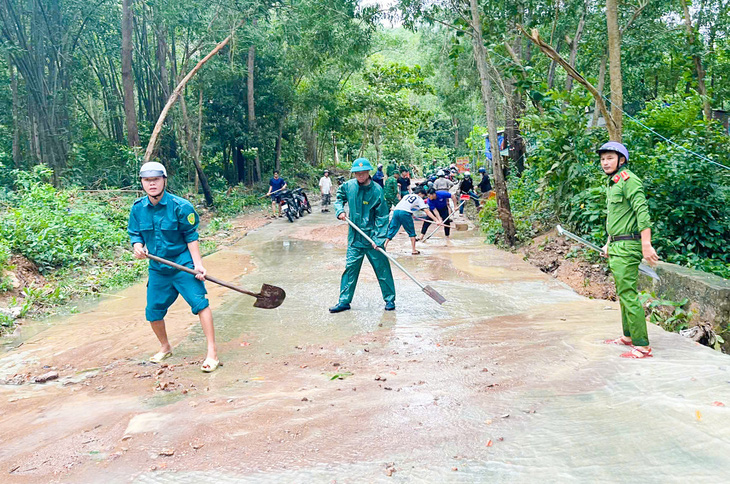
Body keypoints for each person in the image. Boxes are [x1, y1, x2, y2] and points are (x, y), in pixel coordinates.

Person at [128, 162, 219, 372]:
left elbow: (191, 236)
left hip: (182, 263)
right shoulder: (138, 208)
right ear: (142, 183)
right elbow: (135, 234)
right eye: (147, 180)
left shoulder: (181, 206)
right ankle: (165, 346)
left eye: (156, 179)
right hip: (158, 267)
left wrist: (198, 265)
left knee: (200, 303)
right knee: (153, 311)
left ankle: (212, 352)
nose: (152, 184)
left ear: (164, 181)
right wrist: (138, 246)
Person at [598, 142, 659, 359]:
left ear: (621, 160)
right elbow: (617, 217)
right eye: (603, 158)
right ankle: (628, 336)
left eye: (610, 158)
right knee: (623, 292)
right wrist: (608, 243)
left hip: (628, 245)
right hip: (617, 244)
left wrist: (646, 244)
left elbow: (642, 212)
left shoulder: (629, 180)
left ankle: (642, 345)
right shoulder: (613, 183)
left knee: (628, 294)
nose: (605, 162)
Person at [329, 158, 396, 313]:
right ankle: (344, 301)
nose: (360, 175)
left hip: (372, 238)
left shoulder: (377, 190)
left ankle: (390, 300)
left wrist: (378, 239)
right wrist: (340, 210)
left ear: (368, 172)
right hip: (355, 238)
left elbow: (382, 216)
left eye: (363, 173)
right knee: (350, 269)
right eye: (357, 173)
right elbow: (339, 198)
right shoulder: (349, 186)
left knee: (382, 269)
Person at [384, 188, 439, 255]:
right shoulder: (419, 198)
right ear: (420, 193)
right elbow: (426, 211)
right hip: (405, 213)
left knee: (392, 228)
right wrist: (436, 220)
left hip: (396, 211)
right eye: (423, 195)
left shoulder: (406, 195)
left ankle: (385, 245)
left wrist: (411, 214)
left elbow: (406, 205)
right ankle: (414, 250)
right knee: (411, 231)